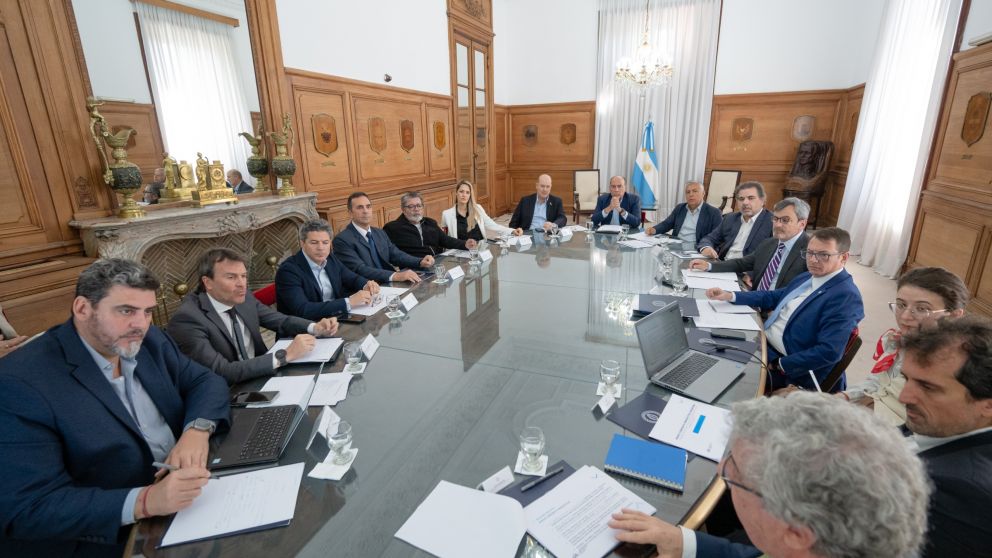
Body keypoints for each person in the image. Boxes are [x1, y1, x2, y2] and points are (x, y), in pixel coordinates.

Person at [0, 259, 230, 556]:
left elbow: (205, 381)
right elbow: (29, 507)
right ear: (82, 308)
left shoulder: (148, 340)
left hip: (194, 495)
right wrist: (146, 500)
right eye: (126, 311)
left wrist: (196, 431)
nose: (140, 324)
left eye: (147, 312)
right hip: (111, 534)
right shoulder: (20, 382)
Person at [609, 392, 930, 558]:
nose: (722, 469)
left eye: (735, 474)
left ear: (795, 532)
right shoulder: (812, 546)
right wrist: (682, 541)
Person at [706, 227, 864, 391]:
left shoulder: (845, 296)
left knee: (719, 380)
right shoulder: (809, 277)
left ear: (844, 257)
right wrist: (730, 295)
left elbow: (829, 352)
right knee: (710, 346)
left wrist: (779, 365)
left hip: (788, 369)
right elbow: (773, 296)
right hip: (764, 343)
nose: (813, 260)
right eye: (810, 253)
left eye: (823, 255)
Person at [167, 248, 338, 385]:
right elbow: (222, 372)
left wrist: (315, 327)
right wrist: (284, 355)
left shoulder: (243, 297)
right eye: (231, 277)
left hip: (264, 375)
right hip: (232, 393)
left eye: (243, 276)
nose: (241, 284)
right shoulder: (187, 319)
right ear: (208, 283)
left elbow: (280, 320)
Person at [898, 315, 992, 557]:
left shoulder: (953, 490)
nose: (904, 397)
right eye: (906, 379)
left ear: (987, 405)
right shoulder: (944, 421)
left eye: (927, 387)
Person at [839, 267, 968, 426]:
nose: (905, 317)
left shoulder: (958, 369)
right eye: (901, 305)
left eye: (921, 309)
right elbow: (878, 382)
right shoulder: (897, 339)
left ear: (954, 315)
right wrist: (845, 397)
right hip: (869, 415)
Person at [690, 198, 809, 290]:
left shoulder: (811, 251)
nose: (777, 225)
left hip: (778, 310)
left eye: (785, 220)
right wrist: (709, 266)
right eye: (776, 219)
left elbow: (808, 290)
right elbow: (741, 263)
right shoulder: (769, 243)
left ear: (802, 224)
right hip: (754, 300)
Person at [277, 219, 379, 321]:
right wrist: (349, 302)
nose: (321, 248)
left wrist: (366, 284)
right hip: (305, 329)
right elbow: (303, 309)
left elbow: (351, 278)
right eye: (314, 243)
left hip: (336, 319)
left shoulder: (330, 259)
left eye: (325, 242)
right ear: (302, 243)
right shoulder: (288, 271)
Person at [333, 192, 434, 284]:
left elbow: (396, 254)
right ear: (350, 213)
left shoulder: (379, 232)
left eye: (368, 207)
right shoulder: (342, 240)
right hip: (367, 289)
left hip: (389, 284)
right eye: (360, 207)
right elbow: (360, 269)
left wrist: (420, 261)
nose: (365, 211)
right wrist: (396, 276)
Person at [385, 191, 474, 258]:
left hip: (436, 263)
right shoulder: (392, 228)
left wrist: (464, 244)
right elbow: (391, 254)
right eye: (411, 206)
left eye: (419, 205)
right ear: (403, 209)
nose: (416, 209)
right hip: (413, 269)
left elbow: (445, 239)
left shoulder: (430, 223)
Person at [697, 181, 772, 260]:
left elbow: (774, 256)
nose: (745, 202)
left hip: (746, 270)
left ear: (762, 201)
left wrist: (751, 272)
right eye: (741, 199)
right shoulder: (730, 218)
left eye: (751, 198)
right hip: (722, 264)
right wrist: (706, 247)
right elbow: (709, 238)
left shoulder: (772, 222)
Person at [440, 180, 519, 241]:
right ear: (456, 193)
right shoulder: (447, 214)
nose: (464, 195)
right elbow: (444, 238)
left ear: (470, 195)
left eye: (467, 193)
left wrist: (512, 231)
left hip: (479, 248)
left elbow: (492, 225)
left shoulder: (478, 208)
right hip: (460, 251)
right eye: (461, 191)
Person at [645, 181, 721, 243]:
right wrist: (654, 229)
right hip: (676, 244)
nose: (691, 194)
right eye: (688, 192)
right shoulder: (680, 208)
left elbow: (716, 237)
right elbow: (667, 224)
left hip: (696, 248)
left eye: (695, 191)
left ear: (703, 194)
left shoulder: (714, 213)